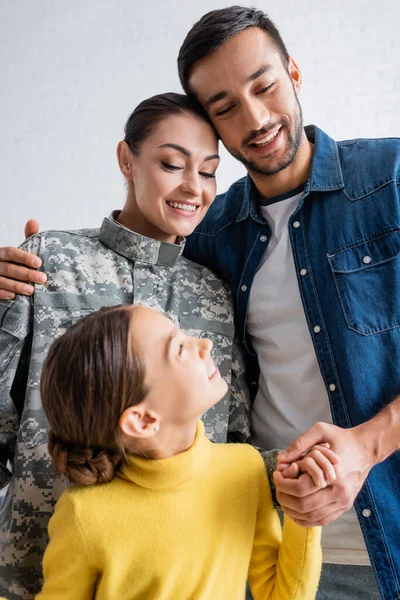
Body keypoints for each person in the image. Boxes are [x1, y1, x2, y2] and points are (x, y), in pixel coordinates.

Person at [2, 6, 399, 599]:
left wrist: (365, 448)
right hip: (191, 556)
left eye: (263, 85)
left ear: (293, 71)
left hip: (353, 541)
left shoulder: (389, 179)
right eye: (225, 107)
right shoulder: (213, 235)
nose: (256, 118)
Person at [0, 92, 257, 600]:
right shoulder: (48, 260)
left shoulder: (215, 294)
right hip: (35, 567)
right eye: (171, 164)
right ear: (126, 159)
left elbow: (232, 441)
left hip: (173, 579)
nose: (193, 188)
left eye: (208, 172)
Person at [34, 303, 327, 599]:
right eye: (179, 349)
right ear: (144, 420)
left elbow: (279, 594)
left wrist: (305, 516)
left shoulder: (246, 470)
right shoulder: (83, 514)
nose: (205, 343)